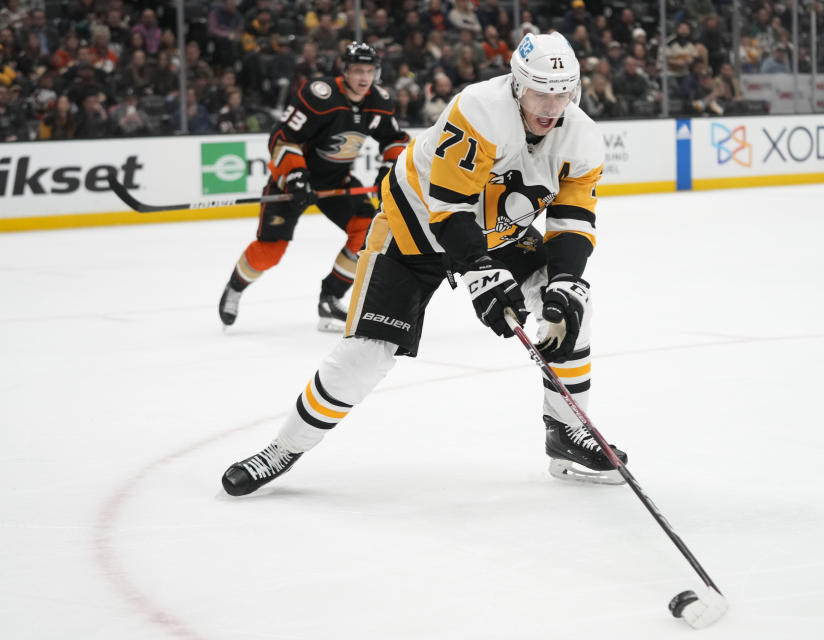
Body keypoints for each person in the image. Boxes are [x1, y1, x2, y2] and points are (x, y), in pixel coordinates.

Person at [221, 32, 629, 497]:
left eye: (562, 93)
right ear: (517, 84)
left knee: (573, 307)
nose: (551, 105)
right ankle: (282, 449)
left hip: (499, 229)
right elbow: (449, 210)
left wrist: (566, 282)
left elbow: (573, 220)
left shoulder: (583, 136)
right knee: (367, 354)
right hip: (415, 225)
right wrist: (479, 269)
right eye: (540, 91)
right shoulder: (478, 108)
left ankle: (565, 432)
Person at [218, 42, 411, 332]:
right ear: (345, 70)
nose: (364, 78)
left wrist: (387, 170)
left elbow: (395, 140)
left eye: (370, 71)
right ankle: (235, 287)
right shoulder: (319, 96)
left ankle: (330, 298)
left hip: (336, 180)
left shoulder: (379, 101)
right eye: (358, 70)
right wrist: (296, 177)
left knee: (366, 230)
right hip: (293, 182)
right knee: (271, 249)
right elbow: (282, 138)